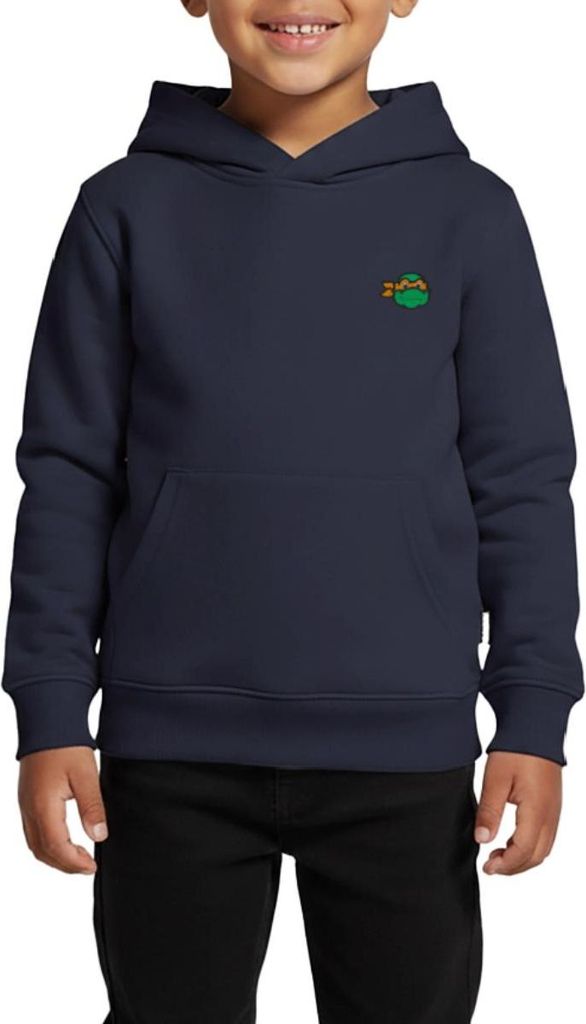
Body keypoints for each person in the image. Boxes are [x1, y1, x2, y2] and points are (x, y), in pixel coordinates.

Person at [2, 2, 583, 1022]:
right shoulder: (123, 207)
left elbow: (522, 481)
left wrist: (533, 715)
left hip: (406, 748)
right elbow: (68, 475)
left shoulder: (469, 212)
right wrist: (49, 710)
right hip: (169, 747)